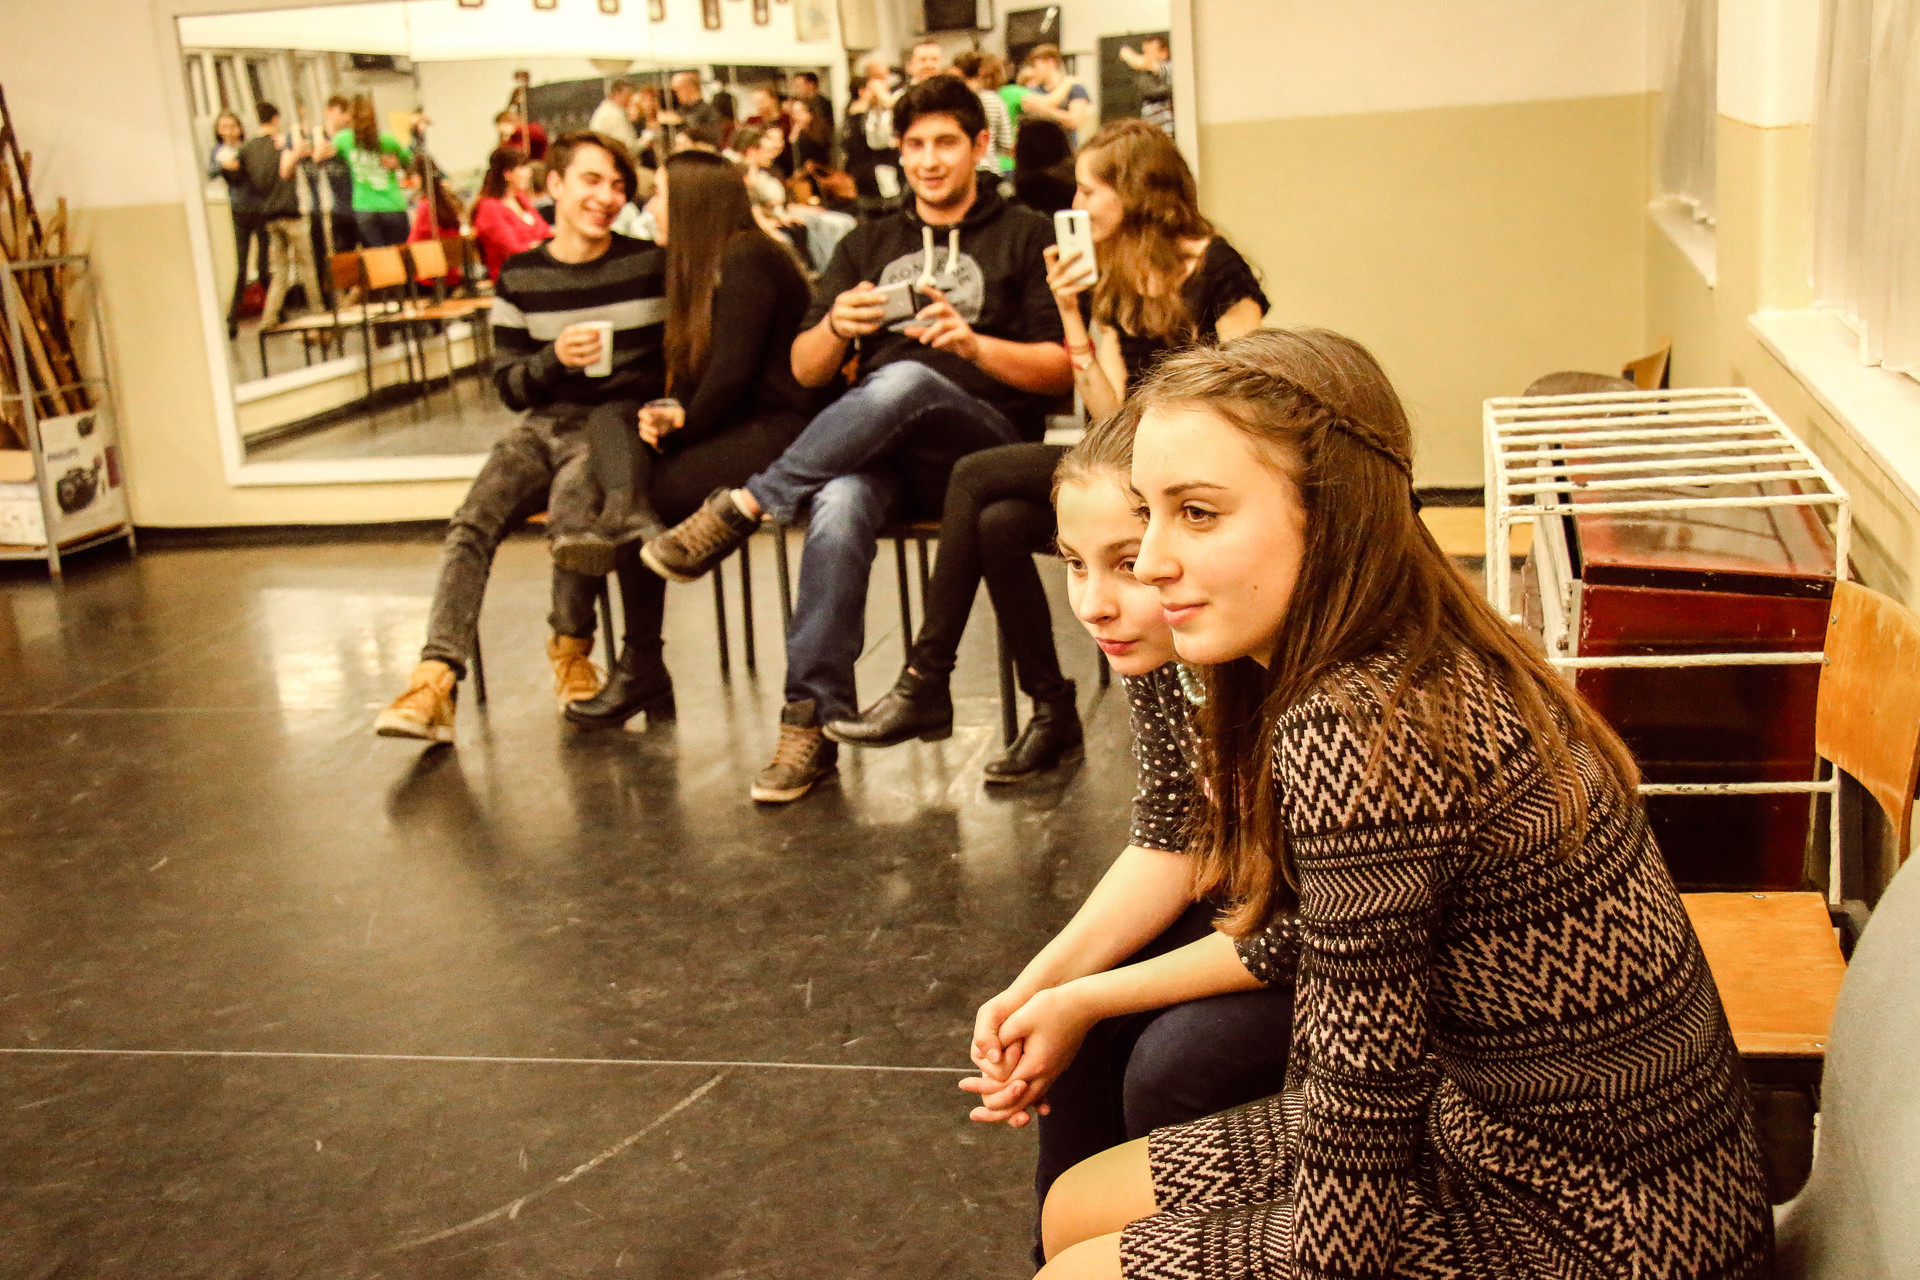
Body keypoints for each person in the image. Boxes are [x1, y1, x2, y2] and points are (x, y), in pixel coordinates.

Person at [1031, 329, 1776, 1280]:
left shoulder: (1361, 726)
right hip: (1487, 1126)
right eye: (1152, 514)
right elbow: (1341, 1005)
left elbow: (1358, 1126)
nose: (1152, 562)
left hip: (1604, 1225)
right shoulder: (1390, 646)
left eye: (1199, 514)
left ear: (1331, 514)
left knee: (1078, 1268)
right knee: (1074, 1205)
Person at [637, 75, 1071, 803]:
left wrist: (972, 347)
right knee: (837, 504)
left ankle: (748, 504)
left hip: (987, 451)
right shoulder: (868, 240)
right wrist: (837, 326)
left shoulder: (1027, 234)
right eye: (915, 145)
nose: (928, 160)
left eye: (945, 143)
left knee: (907, 379)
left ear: (979, 147)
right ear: (898, 151)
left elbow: (1060, 371)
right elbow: (805, 371)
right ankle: (812, 719)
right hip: (884, 456)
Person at [953, 410, 1295, 1267]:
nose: (1094, 603)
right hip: (1269, 904)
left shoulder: (1261, 659)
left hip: (1342, 944)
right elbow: (1173, 837)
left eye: (1127, 563)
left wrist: (1088, 998)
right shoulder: (1155, 643)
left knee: (1176, 1063)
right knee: (1068, 1031)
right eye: (1075, 563)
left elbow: (1317, 929)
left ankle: (1160, 1252)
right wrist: (1039, 988)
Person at [827, 119, 1265, 775]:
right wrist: (1070, 314)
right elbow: (1109, 414)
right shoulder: (1114, 274)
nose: (1078, 206)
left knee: (976, 475)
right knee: (999, 524)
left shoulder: (1216, 266)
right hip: (1129, 460)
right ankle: (1050, 708)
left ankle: (928, 678)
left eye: (1090, 191)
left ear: (1136, 191)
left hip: (1194, 466)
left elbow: (1251, 396)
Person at [373, 133, 663, 744]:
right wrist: (553, 358)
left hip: (612, 427)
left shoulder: (649, 266)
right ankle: (434, 679)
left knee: (575, 517)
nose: (607, 197)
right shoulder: (521, 275)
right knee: (472, 520)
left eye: (618, 186)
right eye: (591, 180)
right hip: (540, 425)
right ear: (554, 185)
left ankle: (572, 650)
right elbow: (508, 386)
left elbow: (683, 359)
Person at [559, 152, 820, 729]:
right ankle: (627, 521)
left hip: (781, 432)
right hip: (737, 424)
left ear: (694, 203)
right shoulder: (708, 264)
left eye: (660, 196)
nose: (649, 207)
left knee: (646, 488)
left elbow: (731, 378)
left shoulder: (748, 256)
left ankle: (641, 664)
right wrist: (670, 412)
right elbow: (702, 376)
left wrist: (682, 426)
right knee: (613, 420)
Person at [242, 103, 325, 332]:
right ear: (276, 118)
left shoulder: (248, 149)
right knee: (306, 266)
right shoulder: (282, 143)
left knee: (279, 272)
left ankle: (269, 318)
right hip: (291, 213)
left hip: (269, 216)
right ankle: (319, 312)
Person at [209, 111, 269, 339]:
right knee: (242, 267)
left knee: (263, 266)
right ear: (218, 130)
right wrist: (224, 165)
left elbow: (258, 171)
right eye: (223, 127)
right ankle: (232, 319)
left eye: (232, 126)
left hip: (259, 209)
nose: (228, 131)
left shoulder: (247, 148)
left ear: (240, 128)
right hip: (239, 211)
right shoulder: (218, 152)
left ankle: (275, 311)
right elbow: (211, 171)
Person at [333, 95, 413, 248]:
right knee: (400, 257)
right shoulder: (388, 140)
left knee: (376, 260)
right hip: (393, 205)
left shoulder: (344, 140)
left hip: (365, 209)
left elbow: (322, 152)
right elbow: (409, 161)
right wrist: (397, 164)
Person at [471, 146, 552, 280]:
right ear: (507, 174)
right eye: (523, 168)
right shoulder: (489, 208)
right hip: (511, 277)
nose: (529, 173)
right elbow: (512, 249)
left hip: (536, 271)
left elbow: (546, 231)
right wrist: (544, 246)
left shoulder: (521, 200)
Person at [954, 50, 1015, 175]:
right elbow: (1007, 144)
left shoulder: (952, 101)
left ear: (959, 73)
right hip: (989, 171)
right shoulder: (995, 100)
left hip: (961, 172)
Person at [1021, 44, 1092, 143]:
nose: (1033, 71)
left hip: (1066, 148)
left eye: (1035, 66)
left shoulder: (1075, 87)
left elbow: (1074, 121)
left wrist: (1044, 111)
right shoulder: (1032, 90)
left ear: (1050, 63)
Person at [1119, 36, 1174, 135]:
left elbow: (1143, 63)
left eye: (1149, 52)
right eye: (1145, 52)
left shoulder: (1169, 67)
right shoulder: (1148, 73)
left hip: (1167, 128)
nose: (1146, 56)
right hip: (1151, 127)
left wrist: (1127, 54)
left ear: (1164, 53)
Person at [589, 78, 641, 160]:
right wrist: (645, 142)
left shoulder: (605, 109)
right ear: (617, 94)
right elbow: (627, 147)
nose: (630, 99)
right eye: (628, 95)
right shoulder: (614, 114)